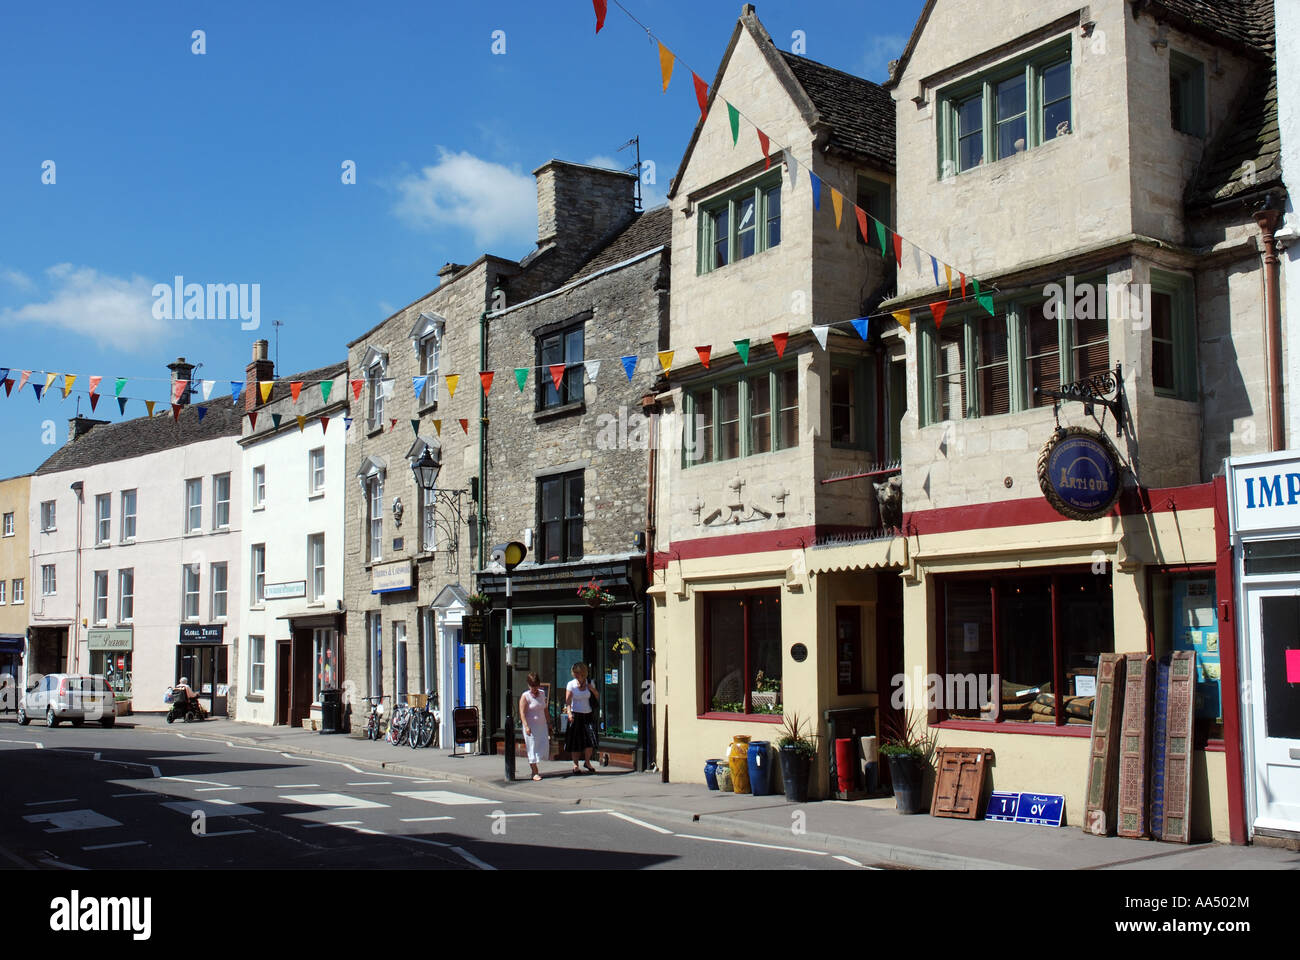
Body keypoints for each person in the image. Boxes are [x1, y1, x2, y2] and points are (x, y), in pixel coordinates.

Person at [564, 662, 599, 774]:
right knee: (576, 741)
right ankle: (575, 765)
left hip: (588, 714)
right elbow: (568, 701)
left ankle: (587, 762)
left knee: (590, 740)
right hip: (576, 715)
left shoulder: (590, 682)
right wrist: (569, 713)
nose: (576, 675)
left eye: (578, 673)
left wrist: (592, 689)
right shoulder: (571, 684)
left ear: (583, 673)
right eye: (574, 673)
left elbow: (597, 696)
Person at [519, 673, 551, 782]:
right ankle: (535, 771)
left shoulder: (542, 693)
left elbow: (545, 709)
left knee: (541, 746)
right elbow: (522, 713)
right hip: (531, 726)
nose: (534, 688)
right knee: (532, 747)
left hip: (541, 725)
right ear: (528, 685)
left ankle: (534, 769)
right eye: (532, 686)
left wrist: (549, 722)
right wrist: (526, 726)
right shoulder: (525, 696)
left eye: (536, 685)